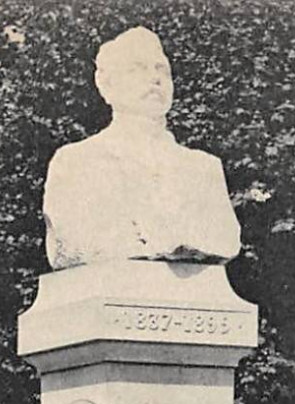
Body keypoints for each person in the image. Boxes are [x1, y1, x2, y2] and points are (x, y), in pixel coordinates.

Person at [43, 26, 241, 270]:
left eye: (162, 70)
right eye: (137, 69)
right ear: (106, 86)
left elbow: (224, 240)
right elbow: (75, 244)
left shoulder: (204, 168)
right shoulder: (75, 162)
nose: (155, 78)